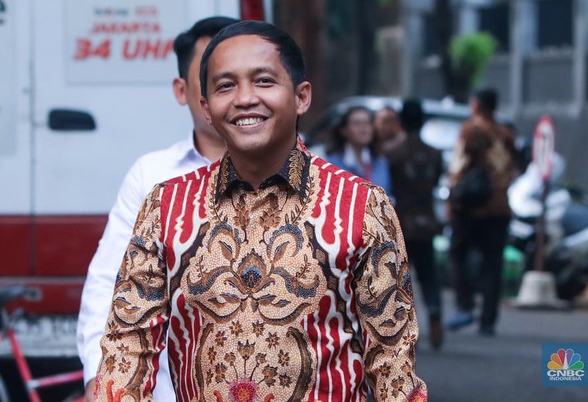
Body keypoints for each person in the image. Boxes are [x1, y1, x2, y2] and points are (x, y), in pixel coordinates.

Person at [94, 20, 427, 401]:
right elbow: (126, 349)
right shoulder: (167, 206)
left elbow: (392, 369)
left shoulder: (361, 207)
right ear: (206, 108)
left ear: (301, 96)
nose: (245, 98)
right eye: (225, 86)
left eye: (264, 81)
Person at [75, 16, 239, 402]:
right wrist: (101, 380)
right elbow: (110, 285)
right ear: (184, 91)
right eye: (217, 79)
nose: (237, 95)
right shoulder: (152, 176)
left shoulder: (317, 182)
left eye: (252, 79)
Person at [445, 88, 516, 336]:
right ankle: (488, 320)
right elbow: (513, 169)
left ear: (475, 105)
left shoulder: (471, 130)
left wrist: (451, 200)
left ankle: (465, 306)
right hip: (500, 207)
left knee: (457, 252)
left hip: (471, 209)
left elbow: (458, 166)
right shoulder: (506, 133)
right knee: (493, 264)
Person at [384, 99, 444, 349]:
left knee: (402, 278)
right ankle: (435, 314)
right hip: (427, 221)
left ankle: (409, 327)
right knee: (429, 276)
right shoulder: (435, 154)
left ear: (400, 122)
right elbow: (435, 183)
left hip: (402, 222)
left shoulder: (391, 152)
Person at [323, 106, 392, 196]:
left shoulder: (381, 162)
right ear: (344, 130)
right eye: (357, 123)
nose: (364, 128)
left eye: (367, 123)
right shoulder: (333, 164)